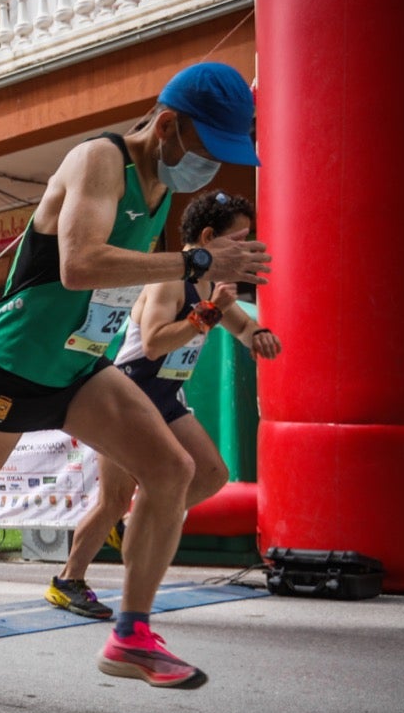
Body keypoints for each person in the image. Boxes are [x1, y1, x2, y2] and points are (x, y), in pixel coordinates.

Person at [0, 62, 270, 692]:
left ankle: (131, 633)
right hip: (13, 364)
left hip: (80, 365)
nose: (210, 167)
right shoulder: (100, 160)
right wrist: (197, 258)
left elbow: (135, 274)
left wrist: (229, 312)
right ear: (170, 125)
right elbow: (78, 264)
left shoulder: (160, 191)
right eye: (208, 149)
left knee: (173, 470)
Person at [45, 189, 280, 618]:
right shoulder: (170, 282)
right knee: (113, 501)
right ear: (208, 236)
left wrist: (258, 335)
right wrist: (209, 312)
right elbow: (153, 344)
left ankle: (142, 521)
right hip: (128, 395)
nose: (246, 249)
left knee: (210, 474)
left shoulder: (209, 286)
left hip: (167, 397)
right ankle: (68, 580)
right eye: (240, 239)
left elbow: (242, 325)